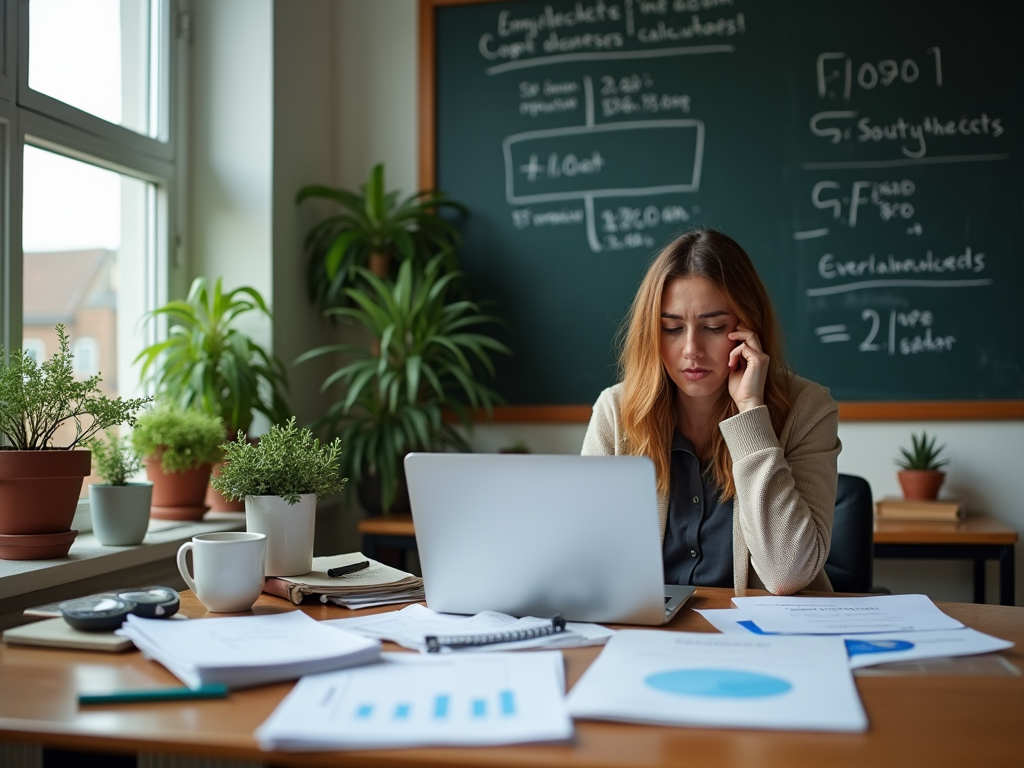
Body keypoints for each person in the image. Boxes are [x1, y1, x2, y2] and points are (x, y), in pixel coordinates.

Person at [581, 229, 840, 594]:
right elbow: (588, 561)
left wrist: (750, 413)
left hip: (766, 642)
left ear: (750, 326)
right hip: (649, 637)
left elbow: (788, 573)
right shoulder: (615, 413)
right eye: (671, 328)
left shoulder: (808, 409)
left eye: (714, 327)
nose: (691, 349)